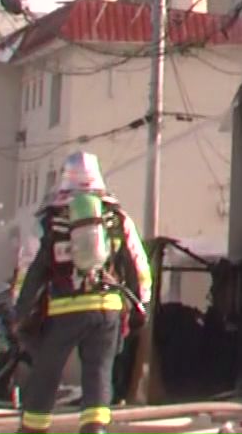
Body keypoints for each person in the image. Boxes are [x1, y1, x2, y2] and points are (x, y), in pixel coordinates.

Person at [14, 150, 152, 434]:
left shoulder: (50, 219)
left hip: (64, 308)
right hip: (107, 308)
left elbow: (30, 267)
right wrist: (141, 303)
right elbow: (138, 263)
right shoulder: (116, 216)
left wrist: (20, 309)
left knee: (46, 372)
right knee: (99, 373)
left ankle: (34, 428)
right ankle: (95, 430)